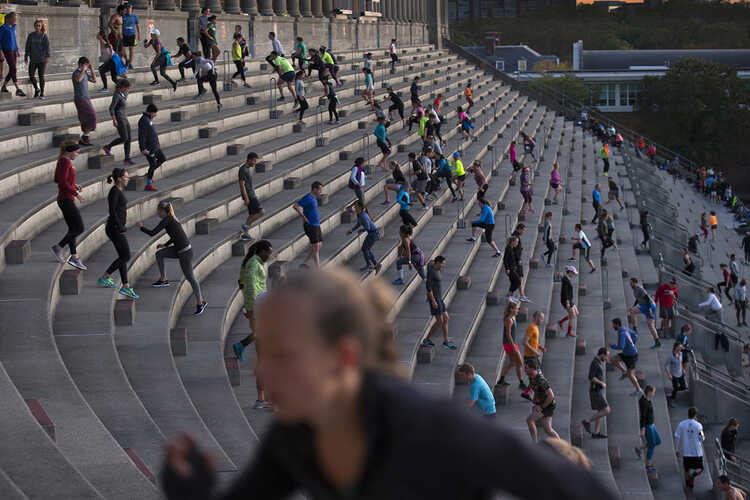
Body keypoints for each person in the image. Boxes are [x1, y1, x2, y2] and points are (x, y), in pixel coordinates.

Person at [162, 268, 619, 500]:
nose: (264, 373)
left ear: (342, 358)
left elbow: (578, 490)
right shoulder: (297, 437)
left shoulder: (432, 430)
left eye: (283, 356)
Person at [136, 200, 207, 315]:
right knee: (159, 254)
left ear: (163, 211)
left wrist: (141, 227)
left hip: (185, 252)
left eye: (158, 211)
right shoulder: (170, 219)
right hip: (179, 250)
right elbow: (175, 236)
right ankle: (163, 279)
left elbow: (153, 233)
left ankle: (201, 302)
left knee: (190, 278)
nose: (157, 213)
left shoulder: (167, 219)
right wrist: (165, 245)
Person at [233, 240, 274, 408]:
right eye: (268, 252)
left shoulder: (254, 262)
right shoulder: (253, 264)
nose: (270, 255)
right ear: (261, 251)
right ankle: (263, 399)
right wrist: (252, 308)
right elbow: (249, 286)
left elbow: (241, 282)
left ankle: (264, 399)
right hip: (256, 307)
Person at [98, 168, 138, 299]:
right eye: (126, 177)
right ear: (119, 178)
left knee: (123, 256)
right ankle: (105, 277)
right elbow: (112, 211)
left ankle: (126, 286)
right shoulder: (114, 191)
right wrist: (120, 227)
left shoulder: (118, 191)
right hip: (114, 228)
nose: (128, 179)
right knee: (126, 255)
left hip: (116, 227)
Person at [51, 141, 87, 270]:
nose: (77, 155)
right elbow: (61, 182)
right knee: (79, 228)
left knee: (73, 228)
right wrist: (76, 193)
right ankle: (58, 247)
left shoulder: (63, 161)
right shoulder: (65, 161)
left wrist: (74, 185)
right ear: (70, 151)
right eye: (76, 152)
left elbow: (58, 179)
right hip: (66, 199)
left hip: (65, 199)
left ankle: (75, 257)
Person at [421, 256, 457, 351]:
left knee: (446, 318)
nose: (443, 266)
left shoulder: (437, 269)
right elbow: (428, 288)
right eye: (442, 264)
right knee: (439, 321)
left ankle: (446, 341)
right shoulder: (431, 272)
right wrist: (433, 301)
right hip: (435, 299)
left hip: (440, 298)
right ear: (437, 263)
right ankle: (427, 339)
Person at [525, 358, 560, 442]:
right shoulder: (531, 377)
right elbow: (535, 389)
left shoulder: (541, 380)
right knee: (548, 429)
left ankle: (534, 443)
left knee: (530, 420)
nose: (524, 370)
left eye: (526, 368)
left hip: (548, 405)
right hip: (542, 403)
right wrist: (535, 400)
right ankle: (561, 446)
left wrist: (541, 407)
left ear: (532, 369)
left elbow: (551, 396)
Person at [102, 79, 134, 165]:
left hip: (124, 117)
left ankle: (127, 158)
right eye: (127, 88)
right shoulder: (116, 95)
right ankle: (108, 147)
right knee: (124, 138)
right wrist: (114, 119)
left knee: (129, 138)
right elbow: (111, 108)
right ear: (123, 87)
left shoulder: (124, 94)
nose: (128, 90)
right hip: (119, 118)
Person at [293, 181, 324, 268]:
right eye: (320, 189)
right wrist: (303, 216)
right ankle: (318, 269)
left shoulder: (313, 198)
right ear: (314, 189)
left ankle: (305, 263)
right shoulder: (308, 197)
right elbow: (296, 206)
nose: (321, 192)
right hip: (310, 225)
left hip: (316, 224)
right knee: (316, 246)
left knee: (319, 245)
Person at [496, 300, 525, 390]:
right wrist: (514, 347)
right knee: (519, 362)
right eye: (516, 309)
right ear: (512, 309)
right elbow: (508, 335)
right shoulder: (509, 320)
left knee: (513, 363)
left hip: (511, 343)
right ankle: (521, 383)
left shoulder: (512, 318)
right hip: (509, 344)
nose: (517, 311)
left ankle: (502, 379)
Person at [582, 347, 610, 439]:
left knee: (600, 411)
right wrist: (601, 383)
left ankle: (596, 433)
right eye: (606, 356)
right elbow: (591, 377)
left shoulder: (599, 362)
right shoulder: (595, 363)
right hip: (595, 391)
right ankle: (587, 422)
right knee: (606, 410)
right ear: (602, 354)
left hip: (598, 390)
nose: (607, 358)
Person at [610, 317, 642, 396]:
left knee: (631, 375)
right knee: (613, 359)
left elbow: (621, 346)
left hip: (632, 356)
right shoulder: (625, 329)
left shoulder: (622, 333)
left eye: (613, 325)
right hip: (626, 354)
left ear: (617, 324)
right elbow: (635, 335)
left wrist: (612, 346)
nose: (612, 326)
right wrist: (632, 344)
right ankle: (624, 371)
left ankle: (638, 389)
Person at [674, 407, 705, 490]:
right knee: (700, 468)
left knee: (686, 469)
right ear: (695, 415)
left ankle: (688, 484)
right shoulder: (698, 425)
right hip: (697, 452)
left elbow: (677, 436)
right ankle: (693, 476)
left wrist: (676, 449)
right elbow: (702, 438)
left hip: (686, 452)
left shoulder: (682, 424)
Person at [347, 201, 380, 273]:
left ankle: (370, 265)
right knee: (366, 249)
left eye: (355, 207)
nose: (354, 208)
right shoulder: (360, 214)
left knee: (365, 249)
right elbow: (358, 224)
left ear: (359, 208)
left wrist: (361, 230)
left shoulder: (363, 216)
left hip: (373, 234)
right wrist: (351, 230)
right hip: (372, 233)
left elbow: (367, 227)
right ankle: (375, 264)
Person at [138, 103, 165, 191]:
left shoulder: (148, 119)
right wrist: (143, 148)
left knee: (162, 158)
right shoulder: (143, 120)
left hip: (155, 146)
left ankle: (148, 175)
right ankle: (148, 184)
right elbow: (142, 135)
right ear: (151, 112)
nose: (156, 115)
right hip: (149, 148)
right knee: (152, 164)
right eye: (155, 113)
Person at [239, 152, 265, 242]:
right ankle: (244, 227)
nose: (255, 163)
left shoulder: (247, 169)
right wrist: (246, 198)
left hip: (251, 194)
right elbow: (242, 185)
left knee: (252, 214)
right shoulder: (243, 170)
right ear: (249, 160)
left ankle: (245, 233)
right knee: (261, 212)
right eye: (254, 161)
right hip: (250, 196)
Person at [628, 277, 660, 348]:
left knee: (650, 324)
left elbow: (647, 298)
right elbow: (638, 299)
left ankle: (635, 328)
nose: (630, 284)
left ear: (635, 283)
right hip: (644, 305)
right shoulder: (634, 289)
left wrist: (649, 310)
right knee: (650, 325)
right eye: (630, 283)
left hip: (649, 305)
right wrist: (633, 306)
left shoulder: (640, 289)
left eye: (631, 283)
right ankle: (657, 341)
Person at [521, 311, 546, 399]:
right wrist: (535, 352)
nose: (542, 320)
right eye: (541, 318)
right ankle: (536, 396)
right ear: (537, 318)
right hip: (530, 357)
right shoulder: (531, 327)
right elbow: (524, 342)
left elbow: (532, 342)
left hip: (533, 356)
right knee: (537, 376)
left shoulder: (535, 327)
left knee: (535, 376)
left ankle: (527, 393)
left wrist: (539, 347)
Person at [72, 57, 97, 146]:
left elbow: (94, 80)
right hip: (80, 98)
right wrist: (83, 70)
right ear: (80, 64)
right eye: (85, 64)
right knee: (92, 115)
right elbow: (78, 80)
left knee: (86, 118)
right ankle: (85, 137)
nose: (86, 66)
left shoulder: (85, 73)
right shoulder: (76, 73)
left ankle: (85, 137)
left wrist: (91, 70)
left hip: (85, 97)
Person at [635, 385, 660, 471]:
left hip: (651, 424)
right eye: (653, 392)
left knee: (657, 441)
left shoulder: (647, 400)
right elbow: (643, 416)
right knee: (652, 444)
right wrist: (643, 429)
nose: (654, 394)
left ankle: (639, 449)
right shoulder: (644, 402)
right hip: (648, 426)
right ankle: (648, 464)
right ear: (649, 392)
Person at [24, 19, 50, 99]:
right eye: (36, 25)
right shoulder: (31, 35)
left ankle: (42, 93)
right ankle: (36, 88)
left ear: (41, 27)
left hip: (42, 59)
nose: (37, 27)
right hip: (33, 59)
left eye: (39, 26)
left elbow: (47, 47)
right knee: (31, 75)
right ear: (34, 26)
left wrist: (47, 56)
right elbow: (27, 46)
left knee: (41, 76)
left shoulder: (44, 36)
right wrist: (26, 56)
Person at [0, 12, 24, 96]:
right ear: (8, 19)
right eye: (14, 18)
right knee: (13, 67)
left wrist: (17, 49)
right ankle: (18, 88)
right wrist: (0, 52)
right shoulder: (3, 28)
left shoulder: (13, 27)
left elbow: (14, 40)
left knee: (12, 69)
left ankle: (4, 86)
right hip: (7, 50)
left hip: (13, 50)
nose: (15, 20)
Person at [558, 265, 578, 338]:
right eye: (573, 273)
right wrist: (567, 302)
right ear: (569, 272)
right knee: (572, 316)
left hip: (569, 300)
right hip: (566, 300)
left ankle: (561, 322)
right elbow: (565, 291)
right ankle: (569, 332)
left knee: (576, 313)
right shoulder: (566, 280)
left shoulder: (567, 278)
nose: (574, 275)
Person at [665, 342, 685, 407]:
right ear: (675, 347)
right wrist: (669, 374)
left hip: (680, 373)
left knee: (683, 387)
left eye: (681, 347)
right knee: (676, 387)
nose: (680, 348)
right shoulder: (671, 356)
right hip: (674, 374)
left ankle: (673, 391)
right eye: (679, 347)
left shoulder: (681, 354)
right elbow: (666, 365)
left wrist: (683, 369)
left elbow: (681, 362)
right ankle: (671, 399)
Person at [503, 237, 523, 301]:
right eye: (516, 242)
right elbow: (505, 259)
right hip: (510, 269)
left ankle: (510, 296)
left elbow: (514, 257)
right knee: (518, 282)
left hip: (513, 268)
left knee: (513, 282)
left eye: (517, 242)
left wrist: (518, 260)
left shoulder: (512, 248)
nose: (517, 243)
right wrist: (507, 269)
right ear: (512, 242)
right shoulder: (508, 249)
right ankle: (508, 295)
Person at [121, 3, 140, 69]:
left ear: (132, 9)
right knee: (123, 50)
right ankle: (127, 60)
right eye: (127, 8)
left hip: (132, 35)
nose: (129, 9)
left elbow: (137, 26)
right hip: (124, 35)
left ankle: (130, 63)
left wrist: (139, 35)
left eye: (130, 8)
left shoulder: (134, 17)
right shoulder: (123, 16)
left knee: (131, 50)